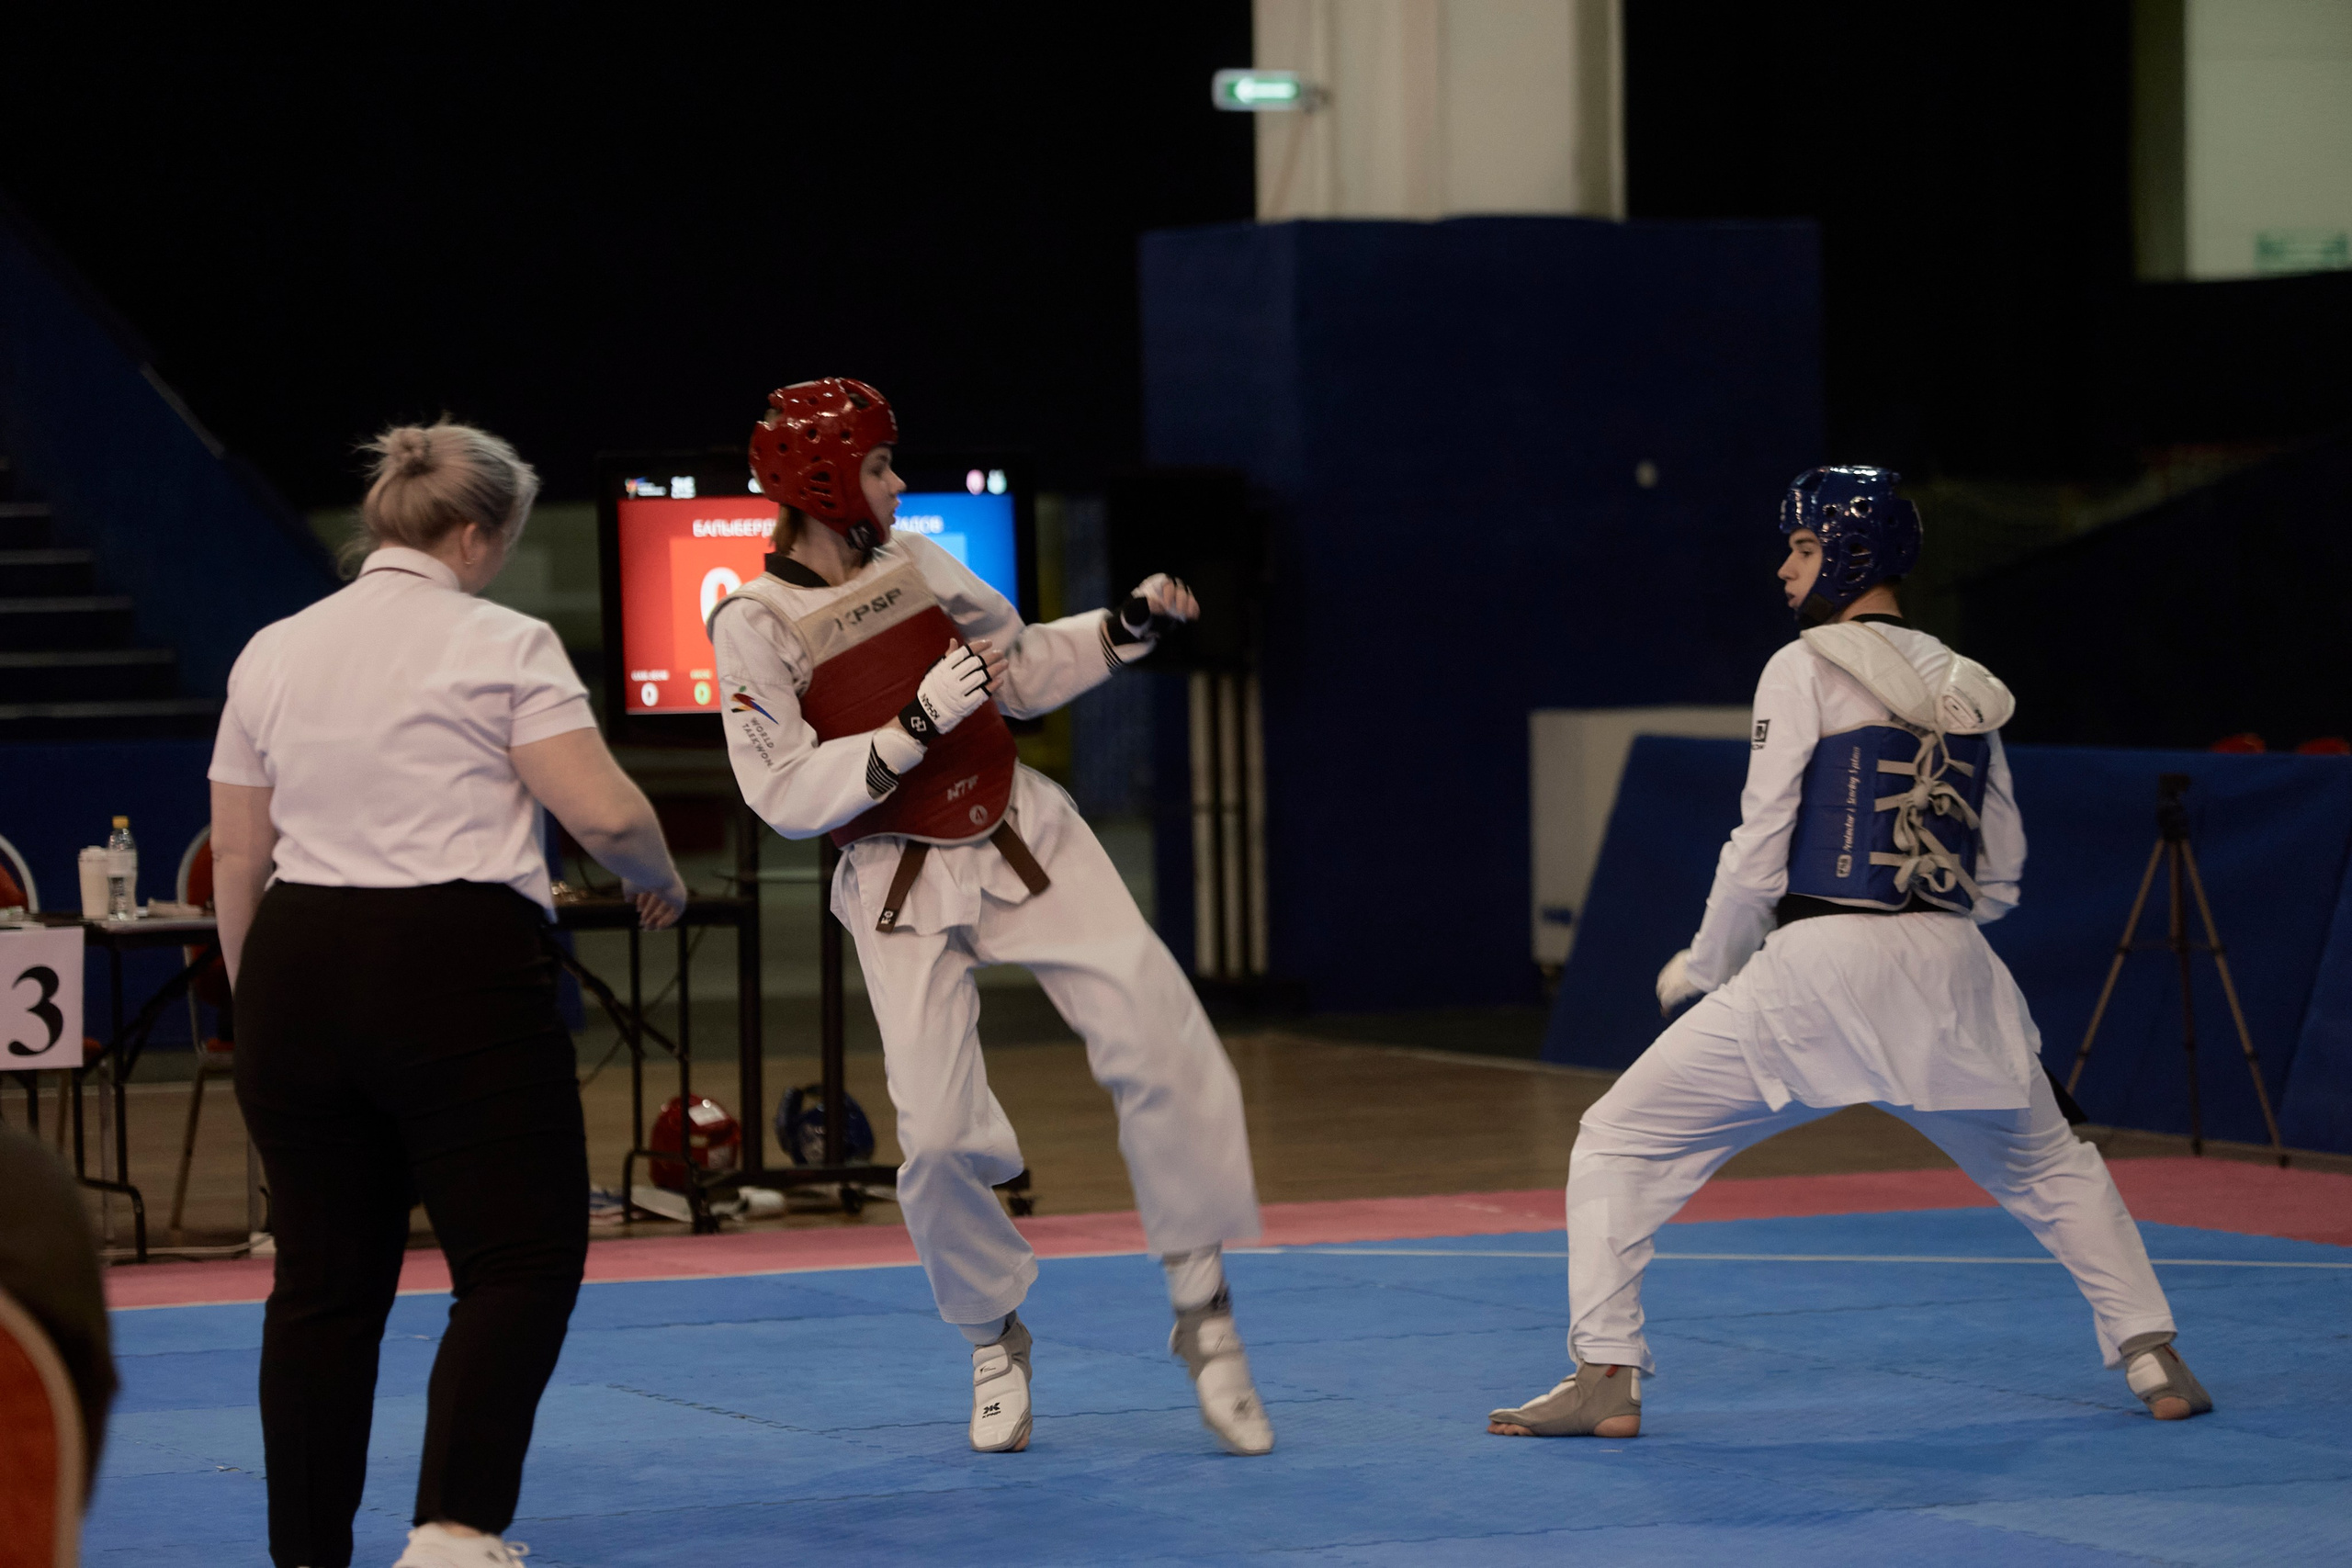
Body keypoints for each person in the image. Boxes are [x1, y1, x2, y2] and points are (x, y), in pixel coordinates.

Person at [1487, 466, 2211, 1440]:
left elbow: (1757, 843)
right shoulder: (1968, 685)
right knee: (2052, 1165)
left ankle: (1606, 1374)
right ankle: (2153, 1355)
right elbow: (1999, 876)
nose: (1784, 566)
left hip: (1820, 964)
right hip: (1953, 967)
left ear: (1850, 550)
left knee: (1618, 1139)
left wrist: (1705, 964)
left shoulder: (1804, 664)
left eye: (1800, 545)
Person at [709, 378, 1272, 1456]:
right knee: (934, 1138)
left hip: (1023, 832)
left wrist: (1123, 626)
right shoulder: (753, 622)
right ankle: (990, 1336)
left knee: (1160, 1034)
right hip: (894, 876)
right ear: (826, 483)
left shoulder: (915, 564)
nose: (897, 482)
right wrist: (911, 728)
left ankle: (1205, 1316)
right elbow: (779, 794)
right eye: (879, 467)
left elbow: (1011, 671)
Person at [209, 420, 689, 1568]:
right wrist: (658, 879)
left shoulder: (271, 647)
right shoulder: (506, 643)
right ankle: (455, 1529)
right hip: (452, 964)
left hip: (293, 962)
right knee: (519, 1261)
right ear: (478, 533)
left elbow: (237, 857)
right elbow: (608, 815)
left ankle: (308, 1554)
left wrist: (259, 1002)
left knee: (322, 1290)